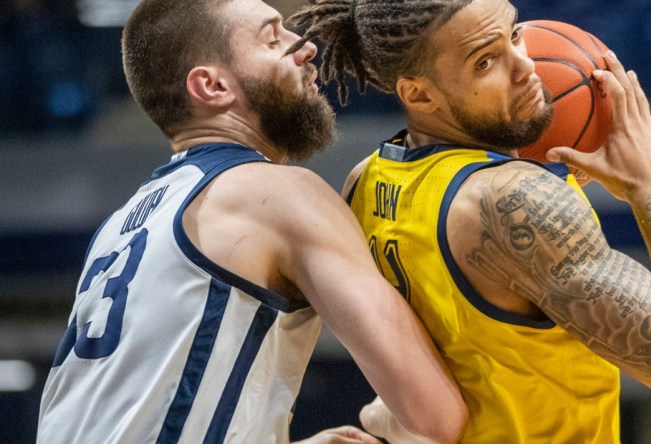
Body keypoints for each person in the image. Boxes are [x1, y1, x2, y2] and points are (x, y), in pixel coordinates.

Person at [288, 0, 651, 442]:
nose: (526, 66)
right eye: (485, 62)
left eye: (514, 34)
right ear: (418, 93)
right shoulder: (509, 200)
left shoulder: (367, 180)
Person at [36, 0, 468, 442]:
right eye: (273, 38)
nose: (306, 48)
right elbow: (434, 418)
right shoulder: (275, 194)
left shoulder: (121, 224)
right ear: (212, 86)